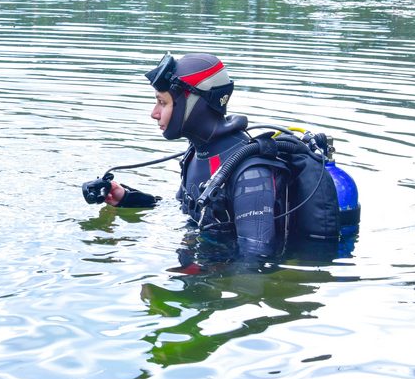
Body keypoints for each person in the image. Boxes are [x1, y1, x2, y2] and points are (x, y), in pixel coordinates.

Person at [99, 53, 289, 255]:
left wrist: (199, 279)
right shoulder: (195, 155)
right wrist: (127, 199)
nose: (154, 113)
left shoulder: (250, 173)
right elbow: (185, 211)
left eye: (162, 102)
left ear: (193, 105)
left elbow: (255, 262)